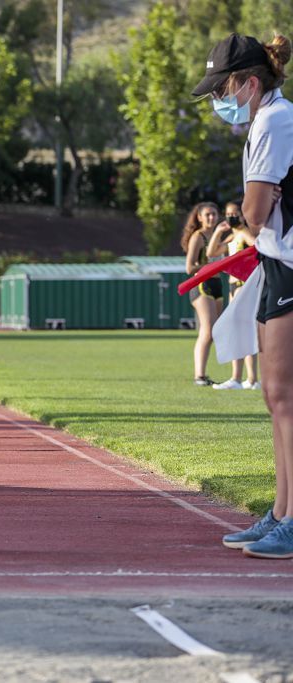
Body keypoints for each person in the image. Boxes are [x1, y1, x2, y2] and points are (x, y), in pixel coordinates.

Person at [194, 32, 293, 557]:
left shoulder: (275, 120)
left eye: (222, 88)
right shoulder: (264, 120)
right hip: (278, 263)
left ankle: (292, 517)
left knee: (285, 397)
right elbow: (255, 212)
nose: (217, 101)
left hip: (290, 265)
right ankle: (280, 512)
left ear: (250, 83)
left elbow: (251, 215)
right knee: (275, 396)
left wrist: (256, 208)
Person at [213, 202, 260, 390]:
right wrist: (218, 232)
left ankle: (240, 378)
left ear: (242, 215)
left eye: (235, 213)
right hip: (233, 286)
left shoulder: (243, 233)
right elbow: (211, 252)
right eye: (228, 213)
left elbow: (257, 247)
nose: (231, 216)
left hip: (242, 285)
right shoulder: (233, 236)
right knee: (243, 330)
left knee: (241, 329)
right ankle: (249, 379)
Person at [181, 201, 226, 385]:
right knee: (207, 331)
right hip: (201, 285)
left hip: (217, 284)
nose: (211, 218)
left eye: (214, 214)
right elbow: (189, 267)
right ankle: (198, 375)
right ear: (199, 217)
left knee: (213, 331)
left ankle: (203, 374)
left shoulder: (219, 236)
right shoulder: (198, 237)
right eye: (207, 214)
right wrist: (210, 266)